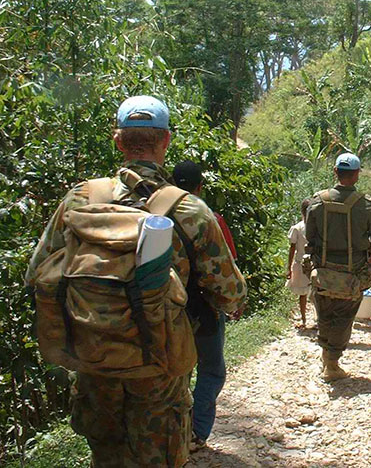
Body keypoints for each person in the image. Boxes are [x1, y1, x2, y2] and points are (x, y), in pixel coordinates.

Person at [25, 95, 247, 466]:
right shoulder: (189, 208)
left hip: (93, 358)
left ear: (118, 141)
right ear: (166, 141)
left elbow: (38, 272)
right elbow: (230, 294)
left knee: (106, 456)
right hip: (159, 366)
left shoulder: (81, 199)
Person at [172, 159, 242, 452]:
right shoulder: (209, 218)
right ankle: (197, 432)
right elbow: (226, 267)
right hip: (202, 310)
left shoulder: (147, 214)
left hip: (161, 310)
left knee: (176, 373)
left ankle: (172, 431)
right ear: (200, 186)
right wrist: (233, 302)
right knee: (211, 369)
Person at [305, 153, 371, 381]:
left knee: (324, 314)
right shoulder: (367, 205)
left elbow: (309, 235)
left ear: (335, 172)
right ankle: (332, 364)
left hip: (321, 271)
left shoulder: (317, 201)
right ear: (357, 174)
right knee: (343, 317)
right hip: (352, 273)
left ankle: (326, 357)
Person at [287, 198, 314, 329]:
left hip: (301, 263)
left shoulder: (297, 228)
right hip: (313, 263)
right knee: (314, 293)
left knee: (303, 294)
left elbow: (292, 248)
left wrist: (289, 268)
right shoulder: (316, 227)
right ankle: (313, 320)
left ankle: (304, 320)